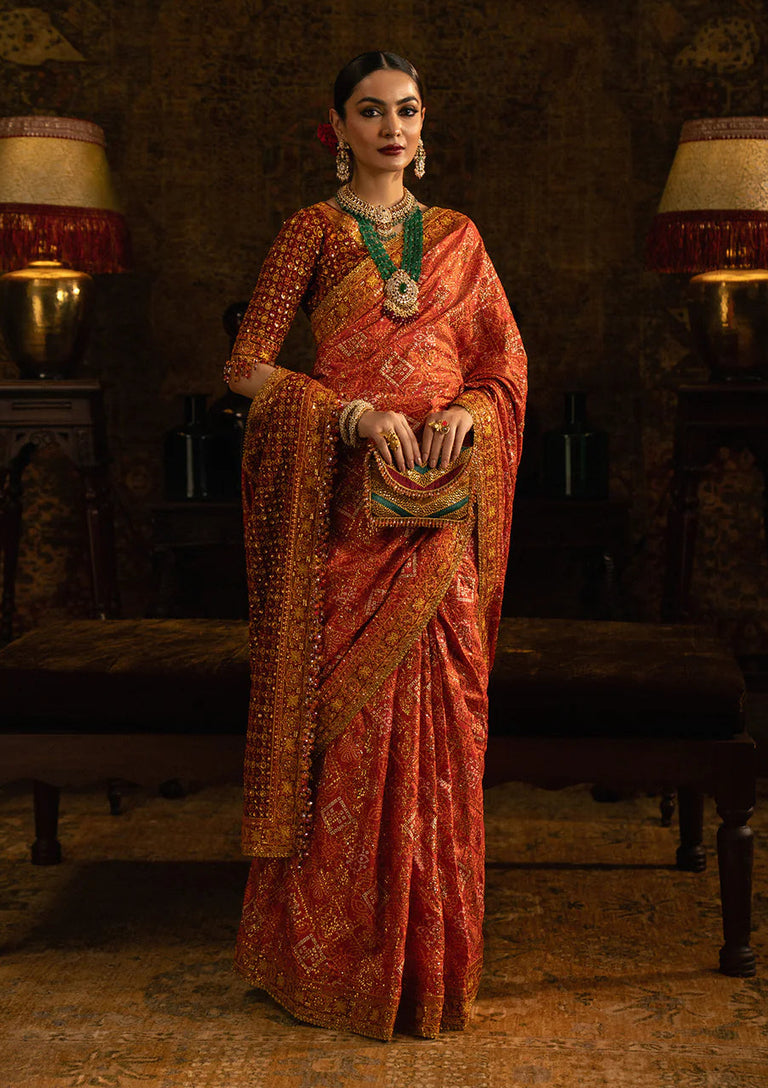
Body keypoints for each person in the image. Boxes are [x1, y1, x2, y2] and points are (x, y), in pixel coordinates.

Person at [226, 50, 527, 1041]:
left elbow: (503, 364)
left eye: (405, 110)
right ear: (338, 125)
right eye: (370, 111)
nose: (391, 127)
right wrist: (345, 415)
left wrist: (475, 414)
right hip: (347, 518)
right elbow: (246, 369)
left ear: (422, 123)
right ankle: (337, 958)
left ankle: (428, 962)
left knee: (441, 729)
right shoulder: (308, 234)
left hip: (439, 522)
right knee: (349, 739)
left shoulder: (460, 238)